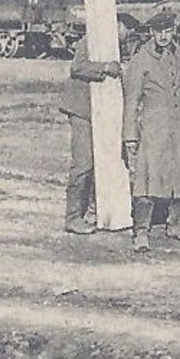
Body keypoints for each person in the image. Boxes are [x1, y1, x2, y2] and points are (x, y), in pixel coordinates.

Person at [122, 10, 180, 251]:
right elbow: (131, 100)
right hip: (154, 127)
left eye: (168, 31)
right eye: (158, 31)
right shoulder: (141, 59)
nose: (163, 36)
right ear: (151, 32)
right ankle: (141, 232)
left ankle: (176, 224)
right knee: (147, 179)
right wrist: (130, 135)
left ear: (174, 31)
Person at [58, 14, 131, 234]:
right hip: (82, 110)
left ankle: (94, 209)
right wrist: (105, 68)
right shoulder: (92, 40)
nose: (129, 34)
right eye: (127, 28)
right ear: (117, 25)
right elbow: (77, 67)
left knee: (104, 161)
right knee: (84, 163)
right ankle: (73, 217)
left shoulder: (116, 47)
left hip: (102, 113)